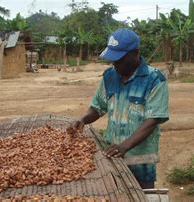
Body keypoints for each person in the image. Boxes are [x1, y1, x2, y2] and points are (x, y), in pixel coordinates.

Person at [67, 28, 169, 189]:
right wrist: (83, 120)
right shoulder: (110, 76)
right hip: (112, 155)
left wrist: (125, 146)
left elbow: (152, 120)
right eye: (112, 59)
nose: (115, 63)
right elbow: (97, 107)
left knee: (140, 195)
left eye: (120, 59)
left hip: (140, 159)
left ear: (135, 53)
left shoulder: (154, 79)